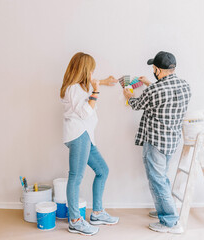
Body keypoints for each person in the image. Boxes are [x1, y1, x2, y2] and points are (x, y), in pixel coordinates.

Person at [123, 51, 191, 234]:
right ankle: (164, 210)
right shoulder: (185, 85)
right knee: (162, 177)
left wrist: (128, 94)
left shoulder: (155, 90)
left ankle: (170, 222)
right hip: (171, 141)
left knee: (157, 179)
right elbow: (165, 94)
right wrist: (148, 83)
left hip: (155, 141)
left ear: (158, 70)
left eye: (154, 68)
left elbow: (137, 104)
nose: (153, 70)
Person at [60, 52, 119, 236]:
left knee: (103, 170)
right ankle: (76, 221)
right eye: (92, 69)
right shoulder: (73, 88)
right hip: (79, 135)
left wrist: (102, 81)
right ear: (85, 70)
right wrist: (96, 91)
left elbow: (88, 84)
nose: (93, 72)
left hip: (86, 136)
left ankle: (98, 213)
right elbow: (85, 112)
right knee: (76, 177)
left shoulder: (78, 86)